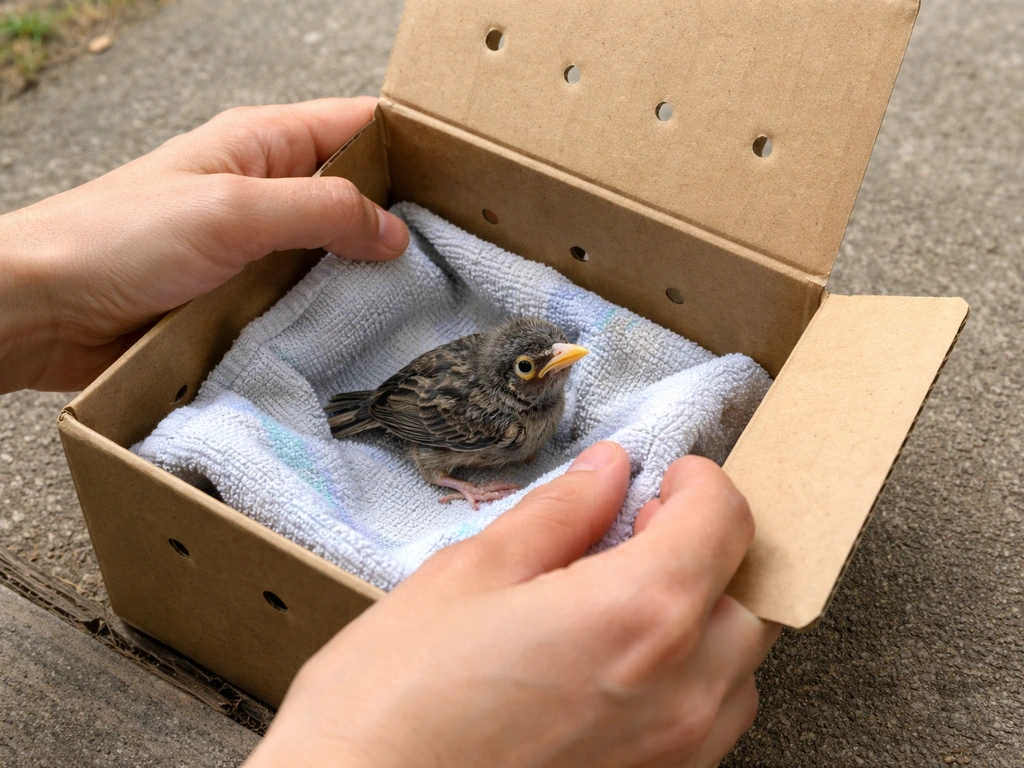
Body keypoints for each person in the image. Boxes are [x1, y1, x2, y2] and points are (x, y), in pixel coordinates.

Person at [0, 97, 779, 767]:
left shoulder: (527, 388)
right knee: (431, 446)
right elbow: (418, 412)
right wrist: (455, 482)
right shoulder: (498, 415)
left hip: (391, 397)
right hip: (394, 416)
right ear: (509, 381)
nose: (560, 365)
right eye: (533, 367)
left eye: (556, 358)